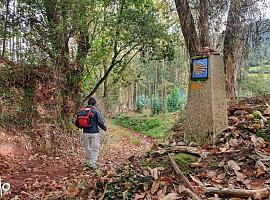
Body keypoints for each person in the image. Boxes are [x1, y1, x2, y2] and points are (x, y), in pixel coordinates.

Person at [77, 97, 107, 169]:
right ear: (94, 103)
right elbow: (100, 122)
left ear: (88, 103)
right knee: (95, 148)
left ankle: (88, 162)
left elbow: (77, 122)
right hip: (94, 133)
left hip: (85, 133)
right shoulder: (95, 111)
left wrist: (81, 127)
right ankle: (92, 164)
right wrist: (104, 128)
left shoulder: (82, 111)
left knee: (87, 148)